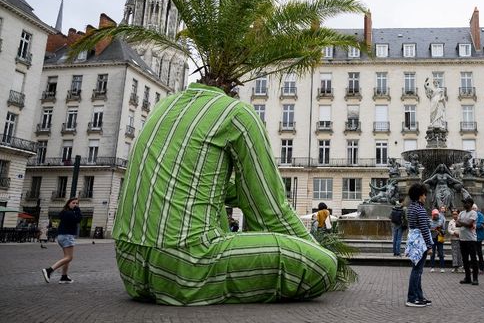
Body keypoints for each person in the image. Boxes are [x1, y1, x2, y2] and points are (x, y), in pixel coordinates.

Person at [112, 83, 337, 305]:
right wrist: (315, 250)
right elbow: (271, 210)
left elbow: (205, 186)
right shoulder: (237, 113)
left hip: (130, 267)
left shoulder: (163, 106)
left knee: (211, 199)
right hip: (187, 266)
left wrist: (247, 192)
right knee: (324, 265)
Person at [405, 183, 433, 308]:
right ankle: (412, 298)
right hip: (420, 242)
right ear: (420, 195)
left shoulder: (411, 207)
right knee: (417, 271)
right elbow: (425, 229)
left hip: (413, 241)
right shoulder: (420, 209)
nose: (425, 197)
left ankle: (419, 296)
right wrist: (430, 245)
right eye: (424, 195)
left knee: (417, 270)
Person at [42, 197, 82, 284]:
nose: (75, 205)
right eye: (73, 203)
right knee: (69, 257)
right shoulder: (69, 213)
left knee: (66, 258)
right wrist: (78, 210)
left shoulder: (64, 212)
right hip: (67, 236)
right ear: (68, 203)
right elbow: (78, 219)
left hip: (62, 236)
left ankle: (64, 277)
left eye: (77, 203)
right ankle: (49, 270)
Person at [456, 197, 479, 285]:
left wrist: (461, 222)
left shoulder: (473, 213)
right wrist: (463, 223)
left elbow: (470, 224)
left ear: (470, 204)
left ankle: (475, 278)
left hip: (471, 239)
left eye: (466, 203)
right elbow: (456, 224)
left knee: (473, 259)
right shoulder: (461, 213)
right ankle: (468, 277)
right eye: (464, 203)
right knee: (465, 259)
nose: (464, 204)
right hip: (462, 239)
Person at [473, 203, 484, 275]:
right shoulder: (471, 215)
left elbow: (481, 224)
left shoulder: (480, 215)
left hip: (478, 237)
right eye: (472, 209)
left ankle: (481, 269)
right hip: (472, 237)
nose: (473, 210)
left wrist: (473, 226)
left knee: (479, 253)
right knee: (473, 253)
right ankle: (475, 268)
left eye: (474, 209)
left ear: (477, 209)